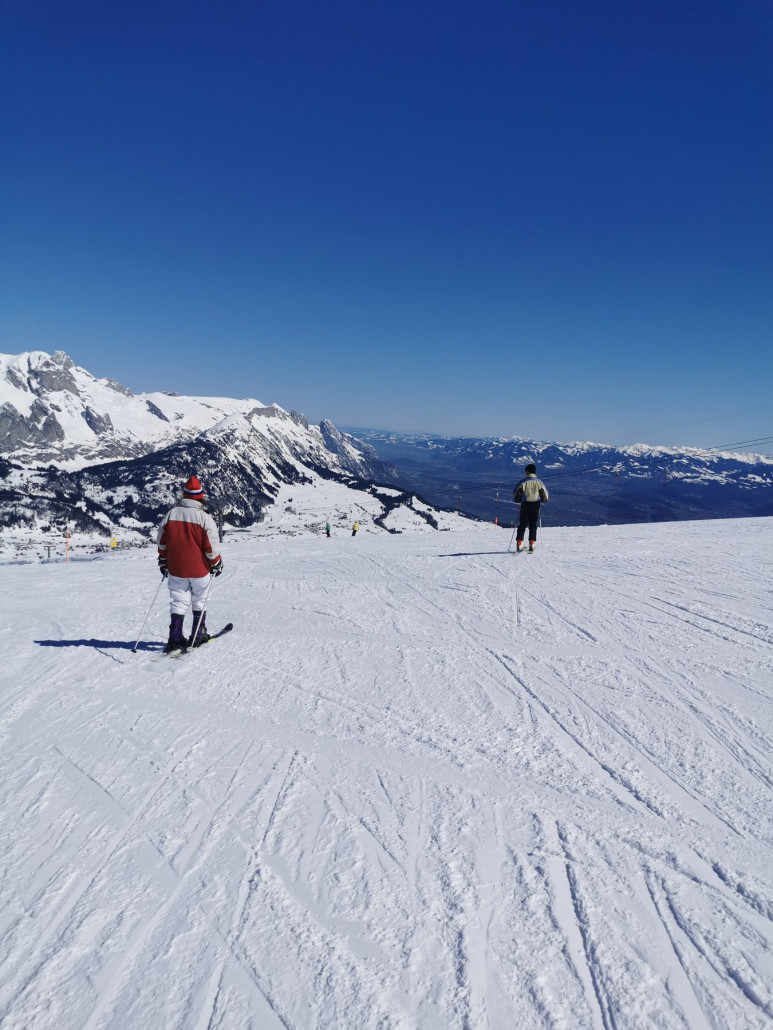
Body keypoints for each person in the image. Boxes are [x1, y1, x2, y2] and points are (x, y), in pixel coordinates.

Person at [157, 475, 223, 651]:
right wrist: (216, 563)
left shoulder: (171, 514)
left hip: (176, 568)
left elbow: (162, 540)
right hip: (199, 568)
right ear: (200, 497)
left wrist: (163, 559)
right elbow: (211, 547)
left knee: (178, 600)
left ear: (184, 496)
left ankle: (175, 637)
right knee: (200, 600)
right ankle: (198, 634)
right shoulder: (204, 518)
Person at [512, 463, 548, 552]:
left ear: (527, 472)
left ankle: (519, 543)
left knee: (522, 524)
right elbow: (545, 496)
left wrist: (518, 500)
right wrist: (542, 500)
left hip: (525, 504)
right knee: (533, 524)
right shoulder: (539, 482)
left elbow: (515, 494)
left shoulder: (523, 482)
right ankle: (532, 543)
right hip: (535, 505)